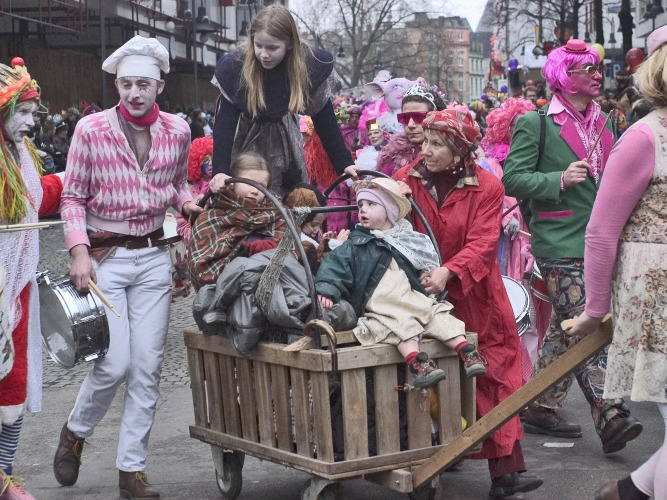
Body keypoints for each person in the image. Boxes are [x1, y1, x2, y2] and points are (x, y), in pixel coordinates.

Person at [55, 35, 201, 500]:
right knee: (114, 363)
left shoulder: (179, 130)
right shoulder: (91, 129)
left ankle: (131, 471)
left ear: (159, 86)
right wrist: (79, 251)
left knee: (147, 367)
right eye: (125, 84)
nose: (134, 93)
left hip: (154, 257)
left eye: (143, 84)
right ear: (116, 85)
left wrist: (187, 205)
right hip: (106, 259)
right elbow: (72, 197)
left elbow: (177, 184)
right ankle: (75, 432)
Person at [502, 39, 642, 453]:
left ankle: (540, 404)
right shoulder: (536, 124)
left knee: (566, 329)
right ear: (565, 77)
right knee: (587, 323)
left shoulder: (608, 122)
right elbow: (512, 178)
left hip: (604, 240)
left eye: (597, 69)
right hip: (559, 239)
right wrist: (558, 179)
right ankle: (610, 413)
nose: (598, 75)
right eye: (588, 70)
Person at [394, 109, 542, 498]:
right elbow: (387, 225)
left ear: (459, 150)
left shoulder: (488, 186)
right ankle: (426, 462)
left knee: (494, 374)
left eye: (436, 144)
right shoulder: (406, 179)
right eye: (425, 142)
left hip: (477, 295)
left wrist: (450, 271)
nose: (426, 150)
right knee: (422, 377)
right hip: (418, 294)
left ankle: (506, 472)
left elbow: (483, 241)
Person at [568, 25, 667, 500]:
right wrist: (595, 307)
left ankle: (630, 491)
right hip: (656, 296)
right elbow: (602, 229)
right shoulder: (645, 138)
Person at [315, 177, 487, 389]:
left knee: (436, 314)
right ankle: (417, 363)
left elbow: (420, 262)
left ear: (389, 210)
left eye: (371, 204)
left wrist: (425, 274)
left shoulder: (404, 238)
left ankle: (466, 350)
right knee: (397, 325)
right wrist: (327, 289)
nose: (363, 210)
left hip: (408, 294)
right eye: (360, 205)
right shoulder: (355, 243)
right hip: (382, 300)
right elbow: (335, 265)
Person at [0, 57, 64, 500]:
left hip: (16, 286)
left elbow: (33, 201)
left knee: (14, 380)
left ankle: (4, 474)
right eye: (21, 112)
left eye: (32, 112)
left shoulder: (19, 155)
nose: (30, 121)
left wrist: (72, 179)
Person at [208, 4, 354, 197]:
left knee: (287, 197)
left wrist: (344, 163)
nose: (264, 54)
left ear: (290, 44)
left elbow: (325, 119)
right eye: (258, 45)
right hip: (245, 142)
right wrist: (220, 170)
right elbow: (225, 124)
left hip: (285, 143)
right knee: (245, 193)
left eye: (272, 48)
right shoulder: (236, 67)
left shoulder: (307, 65)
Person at [188, 152, 286, 290]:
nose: (255, 191)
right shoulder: (210, 217)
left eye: (261, 186)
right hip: (222, 297)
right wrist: (243, 253)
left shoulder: (277, 215)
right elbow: (200, 270)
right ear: (232, 182)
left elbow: (291, 259)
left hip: (271, 292)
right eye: (249, 183)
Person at [376, 84, 446, 177]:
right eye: (405, 118)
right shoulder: (392, 153)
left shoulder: (450, 154)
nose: (410, 125)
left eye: (418, 117)